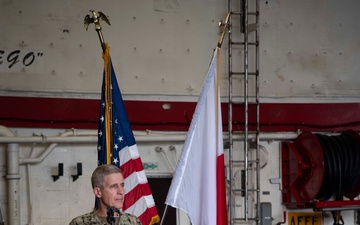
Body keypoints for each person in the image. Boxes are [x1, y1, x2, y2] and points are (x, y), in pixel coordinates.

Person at [69, 164, 142, 225]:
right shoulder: (80, 223)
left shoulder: (133, 222)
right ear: (98, 192)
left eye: (122, 185)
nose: (121, 191)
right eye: (114, 186)